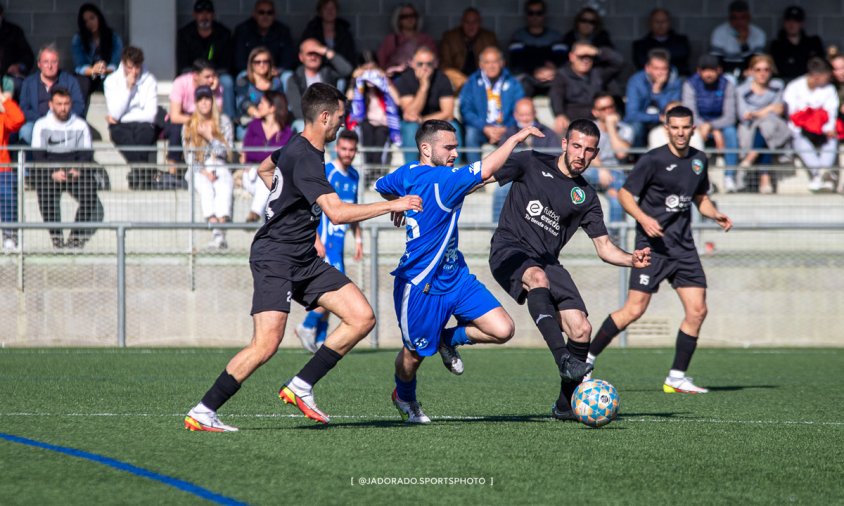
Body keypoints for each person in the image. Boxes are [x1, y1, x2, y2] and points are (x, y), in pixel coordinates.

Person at [183, 83, 422, 432]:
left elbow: (266, 169)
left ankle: (301, 386)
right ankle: (203, 410)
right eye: (340, 118)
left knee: (361, 317)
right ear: (324, 117)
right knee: (266, 344)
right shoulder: (308, 157)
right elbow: (337, 213)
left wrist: (291, 210)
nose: (343, 124)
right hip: (276, 257)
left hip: (303, 256)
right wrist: (393, 204)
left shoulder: (297, 143)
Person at [375, 120, 543, 423]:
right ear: (426, 148)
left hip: (456, 276)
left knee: (502, 329)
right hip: (421, 284)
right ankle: (404, 396)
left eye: (456, 146)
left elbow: (382, 185)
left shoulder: (409, 173)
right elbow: (487, 170)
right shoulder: (442, 179)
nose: (454, 153)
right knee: (412, 357)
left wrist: (397, 203)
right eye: (448, 147)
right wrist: (515, 138)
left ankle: (446, 339)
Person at [488, 118, 651, 421]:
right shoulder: (531, 162)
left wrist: (632, 259)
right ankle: (562, 358)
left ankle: (564, 406)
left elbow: (604, 247)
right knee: (536, 277)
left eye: (589, 150)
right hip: (509, 249)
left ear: (595, 153)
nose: (581, 154)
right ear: (564, 144)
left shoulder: (586, 197)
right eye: (576, 146)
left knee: (582, 328)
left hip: (548, 260)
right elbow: (481, 178)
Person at [587, 105, 733, 394]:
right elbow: (626, 195)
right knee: (633, 310)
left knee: (698, 310)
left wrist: (714, 213)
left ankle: (676, 377)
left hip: (683, 249)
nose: (680, 132)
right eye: (675, 127)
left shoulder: (699, 160)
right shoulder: (652, 160)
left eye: (685, 127)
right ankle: (586, 359)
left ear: (693, 128)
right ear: (667, 129)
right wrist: (644, 219)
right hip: (651, 248)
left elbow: (699, 196)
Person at [295, 130, 362, 353]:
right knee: (335, 290)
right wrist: (315, 239)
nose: (347, 153)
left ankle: (321, 340)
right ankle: (307, 326)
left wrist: (359, 239)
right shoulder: (327, 171)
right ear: (336, 148)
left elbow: (352, 210)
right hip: (323, 244)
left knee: (334, 292)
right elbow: (308, 208)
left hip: (339, 245)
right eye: (343, 148)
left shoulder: (354, 175)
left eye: (352, 150)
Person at [30, 88, 101, 250]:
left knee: (90, 193)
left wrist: (78, 170)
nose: (63, 108)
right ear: (51, 105)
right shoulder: (41, 125)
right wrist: (52, 173)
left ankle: (75, 237)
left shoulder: (80, 125)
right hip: (50, 170)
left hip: (74, 169)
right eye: (59, 104)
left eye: (67, 104)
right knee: (45, 194)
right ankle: (56, 236)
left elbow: (86, 154)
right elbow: (38, 156)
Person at [492, 97, 562, 222]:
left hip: (541, 176)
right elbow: (502, 157)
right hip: (514, 175)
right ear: (515, 115)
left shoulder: (548, 133)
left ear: (535, 114)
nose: (525, 118)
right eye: (521, 115)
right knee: (500, 191)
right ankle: (496, 229)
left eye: (528, 115)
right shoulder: (509, 133)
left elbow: (555, 158)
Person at [182, 85, 234, 250]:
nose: (204, 103)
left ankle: (220, 230)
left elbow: (226, 153)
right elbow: (188, 156)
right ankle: (218, 233)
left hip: (219, 164)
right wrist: (204, 171)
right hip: (197, 168)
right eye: (200, 99)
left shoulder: (224, 121)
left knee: (223, 184)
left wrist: (210, 137)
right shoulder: (189, 124)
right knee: (206, 189)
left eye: (207, 99)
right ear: (196, 103)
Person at [104, 46, 158, 191]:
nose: (134, 72)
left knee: (143, 137)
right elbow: (114, 113)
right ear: (123, 63)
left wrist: (123, 116)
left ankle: (137, 173)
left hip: (143, 124)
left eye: (137, 67)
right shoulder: (111, 81)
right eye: (130, 67)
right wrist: (128, 88)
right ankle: (145, 172)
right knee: (124, 138)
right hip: (120, 126)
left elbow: (151, 114)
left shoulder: (150, 80)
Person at [682, 55, 740, 192]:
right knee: (692, 135)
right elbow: (690, 114)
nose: (708, 74)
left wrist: (712, 126)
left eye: (712, 70)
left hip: (720, 125)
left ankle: (729, 176)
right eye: (705, 70)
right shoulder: (690, 84)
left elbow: (730, 116)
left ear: (719, 70)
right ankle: (701, 179)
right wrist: (705, 126)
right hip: (698, 125)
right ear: (699, 71)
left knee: (731, 132)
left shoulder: (727, 85)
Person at [459, 47, 524, 163]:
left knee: (516, 135)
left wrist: (506, 127)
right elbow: (465, 110)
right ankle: (473, 176)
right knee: (471, 134)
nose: (491, 66)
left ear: (502, 63)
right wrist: (484, 127)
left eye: (495, 62)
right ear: (481, 64)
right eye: (487, 62)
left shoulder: (513, 83)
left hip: (506, 128)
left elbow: (520, 108)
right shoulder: (472, 82)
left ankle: (511, 178)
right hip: (481, 128)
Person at [164, 59, 222, 188]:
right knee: (176, 129)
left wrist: (212, 92)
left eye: (213, 76)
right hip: (184, 118)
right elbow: (175, 116)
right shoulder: (181, 82)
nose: (212, 80)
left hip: (206, 119)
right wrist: (195, 121)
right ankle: (172, 172)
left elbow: (217, 114)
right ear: (195, 76)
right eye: (207, 77)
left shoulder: (216, 87)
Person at [783, 57, 839, 193]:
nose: (829, 79)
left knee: (832, 139)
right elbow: (791, 114)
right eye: (827, 76)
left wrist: (827, 128)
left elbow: (831, 112)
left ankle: (823, 173)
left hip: (822, 130)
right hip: (799, 130)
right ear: (817, 76)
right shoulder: (794, 87)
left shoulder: (830, 89)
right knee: (799, 139)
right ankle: (819, 175)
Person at [735, 54, 789, 194]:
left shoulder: (777, 86)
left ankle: (751, 156)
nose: (762, 73)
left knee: (767, 125)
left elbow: (779, 111)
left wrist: (758, 113)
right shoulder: (742, 90)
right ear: (751, 71)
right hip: (750, 127)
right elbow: (744, 116)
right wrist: (769, 109)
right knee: (764, 129)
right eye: (758, 70)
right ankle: (765, 179)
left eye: (766, 69)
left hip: (774, 126)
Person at [240, 91, 294, 223]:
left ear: (272, 107)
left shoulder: (287, 132)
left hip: (273, 176)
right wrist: (269, 156)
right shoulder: (254, 125)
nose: (259, 106)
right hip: (251, 173)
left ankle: (255, 212)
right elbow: (247, 152)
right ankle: (257, 213)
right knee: (265, 179)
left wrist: (261, 156)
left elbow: (284, 158)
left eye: (262, 103)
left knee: (266, 179)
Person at [395, 47, 456, 164]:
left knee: (453, 126)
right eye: (420, 64)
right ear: (412, 64)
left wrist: (423, 120)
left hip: (434, 121)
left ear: (435, 64)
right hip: (412, 123)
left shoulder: (442, 78)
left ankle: (453, 173)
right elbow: (409, 113)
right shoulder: (405, 79)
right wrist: (424, 87)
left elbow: (448, 112)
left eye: (429, 64)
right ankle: (412, 172)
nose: (424, 67)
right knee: (410, 127)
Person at [177, 0, 235, 120]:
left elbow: (227, 64)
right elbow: (183, 65)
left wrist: (212, 77)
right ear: (194, 15)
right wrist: (200, 76)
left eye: (208, 12)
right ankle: (192, 116)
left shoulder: (223, 33)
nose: (204, 16)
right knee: (182, 81)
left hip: (217, 74)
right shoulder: (185, 34)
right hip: (193, 74)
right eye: (200, 13)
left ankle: (228, 121)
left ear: (213, 15)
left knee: (227, 81)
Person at [549, 41, 622, 135]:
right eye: (581, 57)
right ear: (571, 56)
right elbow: (556, 96)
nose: (585, 60)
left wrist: (598, 51)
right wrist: (559, 114)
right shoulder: (562, 75)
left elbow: (619, 62)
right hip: (573, 121)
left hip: (598, 120)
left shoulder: (598, 72)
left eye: (589, 57)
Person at [19, 45, 85, 145]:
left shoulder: (70, 81)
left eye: (54, 62)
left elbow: (79, 105)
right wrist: (43, 120)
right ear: (39, 64)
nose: (50, 66)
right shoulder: (28, 82)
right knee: (25, 131)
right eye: (46, 62)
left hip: (64, 121)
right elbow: (24, 108)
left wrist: (61, 117)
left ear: (59, 64)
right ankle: (30, 160)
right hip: (36, 121)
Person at [345, 63, 402, 171]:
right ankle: (368, 168)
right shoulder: (360, 91)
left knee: (380, 140)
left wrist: (384, 79)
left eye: (373, 71)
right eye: (367, 71)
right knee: (366, 135)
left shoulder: (384, 90)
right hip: (367, 123)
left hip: (383, 124)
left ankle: (376, 170)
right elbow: (349, 98)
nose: (370, 75)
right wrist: (354, 79)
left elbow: (398, 101)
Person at [588, 93, 632, 227]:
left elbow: (621, 154)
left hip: (616, 173)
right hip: (594, 171)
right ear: (595, 112)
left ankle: (615, 242)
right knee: (585, 172)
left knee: (616, 201)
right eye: (603, 109)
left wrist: (611, 127)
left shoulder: (625, 129)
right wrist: (602, 170)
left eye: (611, 107)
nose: (608, 111)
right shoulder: (589, 128)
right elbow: (586, 153)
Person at [624, 49, 683, 147]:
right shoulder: (636, 81)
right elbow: (631, 114)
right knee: (635, 127)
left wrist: (657, 92)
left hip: (665, 121)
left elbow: (673, 111)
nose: (660, 73)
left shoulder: (675, 82)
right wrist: (657, 117)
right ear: (647, 68)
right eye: (656, 68)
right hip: (642, 121)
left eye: (664, 69)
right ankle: (638, 158)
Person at [285, 38, 353, 123]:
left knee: (340, 130)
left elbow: (347, 71)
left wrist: (326, 51)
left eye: (317, 53)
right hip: (306, 122)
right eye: (310, 54)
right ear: (301, 57)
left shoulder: (328, 72)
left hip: (329, 119)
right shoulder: (295, 79)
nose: (313, 57)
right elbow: (297, 110)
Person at [508, 0, 565, 97]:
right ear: (526, 15)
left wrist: (551, 71)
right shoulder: (519, 36)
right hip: (528, 78)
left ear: (544, 15)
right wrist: (535, 70)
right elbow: (516, 62)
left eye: (539, 13)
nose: (535, 17)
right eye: (531, 13)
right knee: (521, 83)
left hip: (551, 77)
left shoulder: (555, 36)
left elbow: (562, 60)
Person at [71, 3, 123, 111]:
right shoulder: (79, 38)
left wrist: (105, 69)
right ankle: (79, 116)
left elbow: (116, 62)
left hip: (108, 73)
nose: (90, 23)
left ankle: (118, 117)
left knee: (117, 81)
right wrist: (93, 70)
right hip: (89, 74)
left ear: (98, 17)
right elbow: (79, 65)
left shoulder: (113, 36)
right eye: (86, 21)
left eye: (92, 18)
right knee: (81, 82)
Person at [560, 7, 622, 94]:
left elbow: (616, 61)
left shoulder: (602, 39)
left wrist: (597, 52)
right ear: (577, 22)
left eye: (592, 22)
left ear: (596, 25)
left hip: (596, 74)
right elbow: (560, 61)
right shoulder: (568, 38)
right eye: (583, 20)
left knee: (612, 84)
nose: (587, 24)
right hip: (572, 74)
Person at [438, 7, 498, 90]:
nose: (471, 26)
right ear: (462, 22)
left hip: (483, 82)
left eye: (474, 22)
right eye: (467, 22)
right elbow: (444, 66)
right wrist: (465, 82)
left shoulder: (489, 38)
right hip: (457, 82)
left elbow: (497, 63)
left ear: (480, 23)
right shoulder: (449, 37)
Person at [232, 0, 296, 76]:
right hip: (250, 72)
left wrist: (277, 71)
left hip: (275, 72)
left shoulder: (283, 31)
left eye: (269, 13)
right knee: (242, 75)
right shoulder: (243, 30)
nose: (265, 16)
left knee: (288, 75)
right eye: (261, 12)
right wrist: (256, 71)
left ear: (274, 15)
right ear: (254, 14)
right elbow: (239, 62)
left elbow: (288, 60)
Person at [234, 46, 283, 138]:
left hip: (273, 122)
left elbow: (280, 103)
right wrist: (257, 113)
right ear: (251, 64)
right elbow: (243, 102)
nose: (262, 64)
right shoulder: (243, 81)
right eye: (257, 62)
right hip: (248, 122)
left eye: (265, 61)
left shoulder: (276, 82)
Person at [709, 0, 766, 78]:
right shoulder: (719, 32)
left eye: (743, 17)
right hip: (726, 73)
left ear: (749, 18)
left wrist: (744, 44)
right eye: (734, 18)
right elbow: (717, 62)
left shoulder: (758, 33)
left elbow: (756, 64)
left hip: (749, 75)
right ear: (729, 18)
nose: (739, 21)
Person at [376, 3, 437, 77]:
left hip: (422, 76)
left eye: (412, 16)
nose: (409, 19)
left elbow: (434, 62)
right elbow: (381, 62)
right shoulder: (392, 39)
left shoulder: (426, 39)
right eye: (404, 17)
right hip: (397, 78)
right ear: (398, 20)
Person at [769, 6, 824, 83]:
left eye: (796, 21)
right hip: (786, 83)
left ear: (802, 23)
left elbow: (820, 65)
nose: (792, 24)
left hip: (810, 83)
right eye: (789, 20)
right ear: (784, 22)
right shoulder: (777, 46)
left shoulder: (813, 43)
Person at [300, 0, 357, 74]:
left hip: (339, 72)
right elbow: (303, 53)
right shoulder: (312, 30)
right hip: (317, 71)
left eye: (332, 8)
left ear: (337, 11)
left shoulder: (345, 32)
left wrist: (328, 53)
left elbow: (349, 62)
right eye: (326, 8)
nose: (329, 11)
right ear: (320, 12)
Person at [632, 8, 691, 76]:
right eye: (656, 21)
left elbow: (682, 58)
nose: (660, 24)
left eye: (664, 21)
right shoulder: (640, 45)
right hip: (650, 80)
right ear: (650, 23)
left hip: (677, 78)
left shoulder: (681, 41)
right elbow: (641, 63)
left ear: (669, 23)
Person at [0, 91, 24, 252]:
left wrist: (4, 100)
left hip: (2, 168)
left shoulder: (2, 116)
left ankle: (9, 236)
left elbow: (18, 120)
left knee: (8, 196)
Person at [0, 4, 35, 95]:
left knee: (21, 85)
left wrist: (19, 66)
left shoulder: (14, 31)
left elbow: (28, 56)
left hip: (9, 76)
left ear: (1, 14)